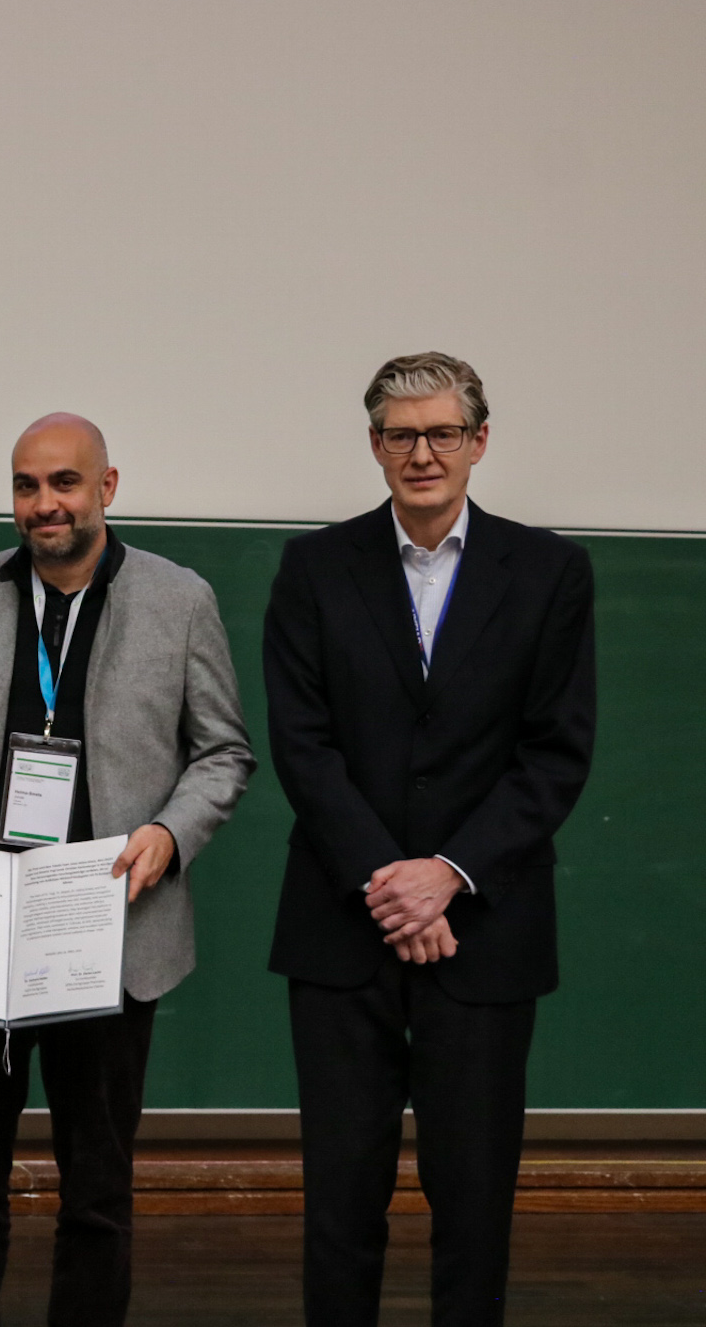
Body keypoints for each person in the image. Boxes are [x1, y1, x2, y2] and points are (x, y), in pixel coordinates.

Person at [0, 413, 254, 1326]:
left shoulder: (180, 599)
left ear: (107, 487)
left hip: (112, 931)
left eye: (63, 482)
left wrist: (169, 835)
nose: (43, 503)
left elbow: (222, 754)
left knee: (97, 1196)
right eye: (26, 485)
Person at [263, 353, 595, 1327]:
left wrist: (444, 875)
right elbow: (302, 743)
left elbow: (554, 753)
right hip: (340, 927)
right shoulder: (312, 568)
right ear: (373, 446)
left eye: (441, 432)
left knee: (475, 1199)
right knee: (338, 1199)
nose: (421, 452)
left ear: (476, 443)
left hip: (484, 929)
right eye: (400, 434)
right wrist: (388, 880)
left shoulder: (547, 573)